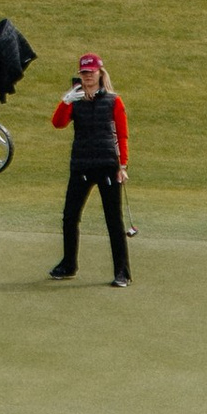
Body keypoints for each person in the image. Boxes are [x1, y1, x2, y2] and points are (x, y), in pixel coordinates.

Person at [50, 50, 130, 282]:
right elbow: (58, 123)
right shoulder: (75, 101)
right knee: (69, 217)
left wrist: (123, 165)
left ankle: (122, 272)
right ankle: (69, 265)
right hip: (82, 165)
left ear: (100, 73)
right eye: (84, 72)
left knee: (113, 220)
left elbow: (122, 134)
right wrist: (65, 102)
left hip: (107, 165)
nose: (87, 76)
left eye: (91, 72)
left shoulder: (114, 101)